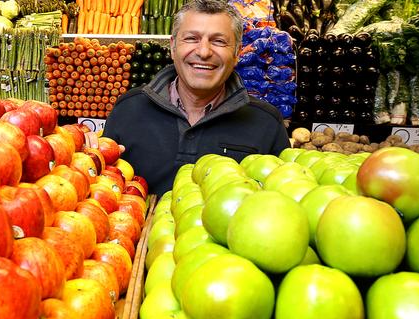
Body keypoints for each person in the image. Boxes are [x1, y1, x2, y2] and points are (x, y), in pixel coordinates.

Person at [102, 0, 290, 196]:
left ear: (236, 53)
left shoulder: (266, 123)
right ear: (173, 47)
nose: (203, 52)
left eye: (219, 41)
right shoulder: (129, 109)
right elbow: (100, 185)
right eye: (192, 38)